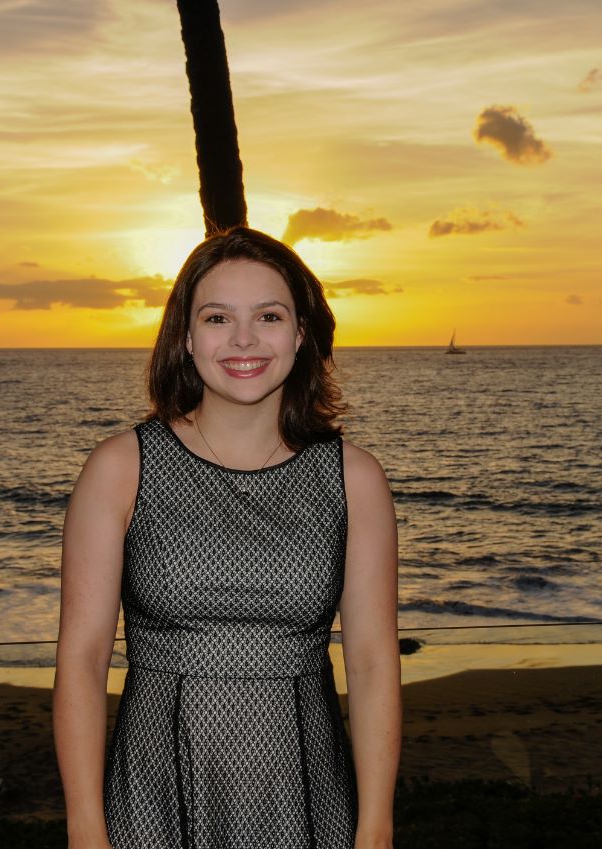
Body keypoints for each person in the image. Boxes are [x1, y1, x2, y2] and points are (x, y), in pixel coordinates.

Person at [53, 225, 401, 849]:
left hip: (308, 799)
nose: (244, 339)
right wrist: (85, 828)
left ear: (300, 333)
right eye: (218, 317)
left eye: (268, 315)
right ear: (185, 337)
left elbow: (374, 663)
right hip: (153, 799)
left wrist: (376, 826)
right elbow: (81, 660)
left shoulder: (356, 479)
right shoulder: (120, 469)